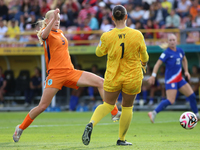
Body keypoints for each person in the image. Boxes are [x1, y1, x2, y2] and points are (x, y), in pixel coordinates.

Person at [12, 8, 120, 142]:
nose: (57, 21)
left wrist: (54, 18)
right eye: (53, 19)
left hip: (70, 72)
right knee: (42, 106)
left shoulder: (60, 33)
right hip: (55, 75)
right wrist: (52, 20)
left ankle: (115, 113)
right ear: (47, 21)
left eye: (58, 19)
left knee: (101, 82)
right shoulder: (46, 34)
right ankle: (20, 128)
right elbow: (44, 34)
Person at [82, 5, 149, 146]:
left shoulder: (107, 35)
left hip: (113, 75)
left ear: (112, 18)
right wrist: (144, 63)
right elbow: (145, 56)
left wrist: (104, 41)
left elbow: (98, 53)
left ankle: (91, 123)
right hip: (132, 75)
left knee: (107, 104)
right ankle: (121, 139)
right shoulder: (137, 34)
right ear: (126, 17)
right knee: (127, 107)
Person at [147, 34, 200, 123]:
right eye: (170, 40)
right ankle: (153, 113)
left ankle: (197, 115)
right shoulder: (166, 53)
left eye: (173, 40)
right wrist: (153, 75)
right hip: (170, 80)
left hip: (179, 79)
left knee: (192, 96)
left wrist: (186, 71)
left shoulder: (180, 51)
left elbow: (184, 59)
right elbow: (157, 64)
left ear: (176, 41)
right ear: (168, 42)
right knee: (170, 100)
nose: (172, 41)